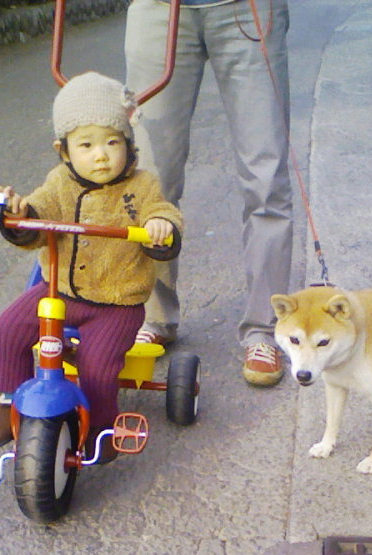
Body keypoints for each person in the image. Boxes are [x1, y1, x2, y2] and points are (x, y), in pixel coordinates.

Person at [0, 71, 183, 457]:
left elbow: (163, 210)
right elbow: (39, 217)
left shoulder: (140, 186)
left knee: (98, 367)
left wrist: (161, 226)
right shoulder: (60, 182)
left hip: (117, 304)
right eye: (86, 144)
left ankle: (103, 430)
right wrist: (20, 213)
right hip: (62, 292)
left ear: (129, 144)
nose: (101, 154)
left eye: (112, 142)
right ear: (65, 150)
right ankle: (8, 407)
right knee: (9, 326)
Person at [125, 0, 292, 386]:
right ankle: (151, 315)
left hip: (244, 10)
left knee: (265, 176)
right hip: (159, 9)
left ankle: (265, 330)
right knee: (148, 178)